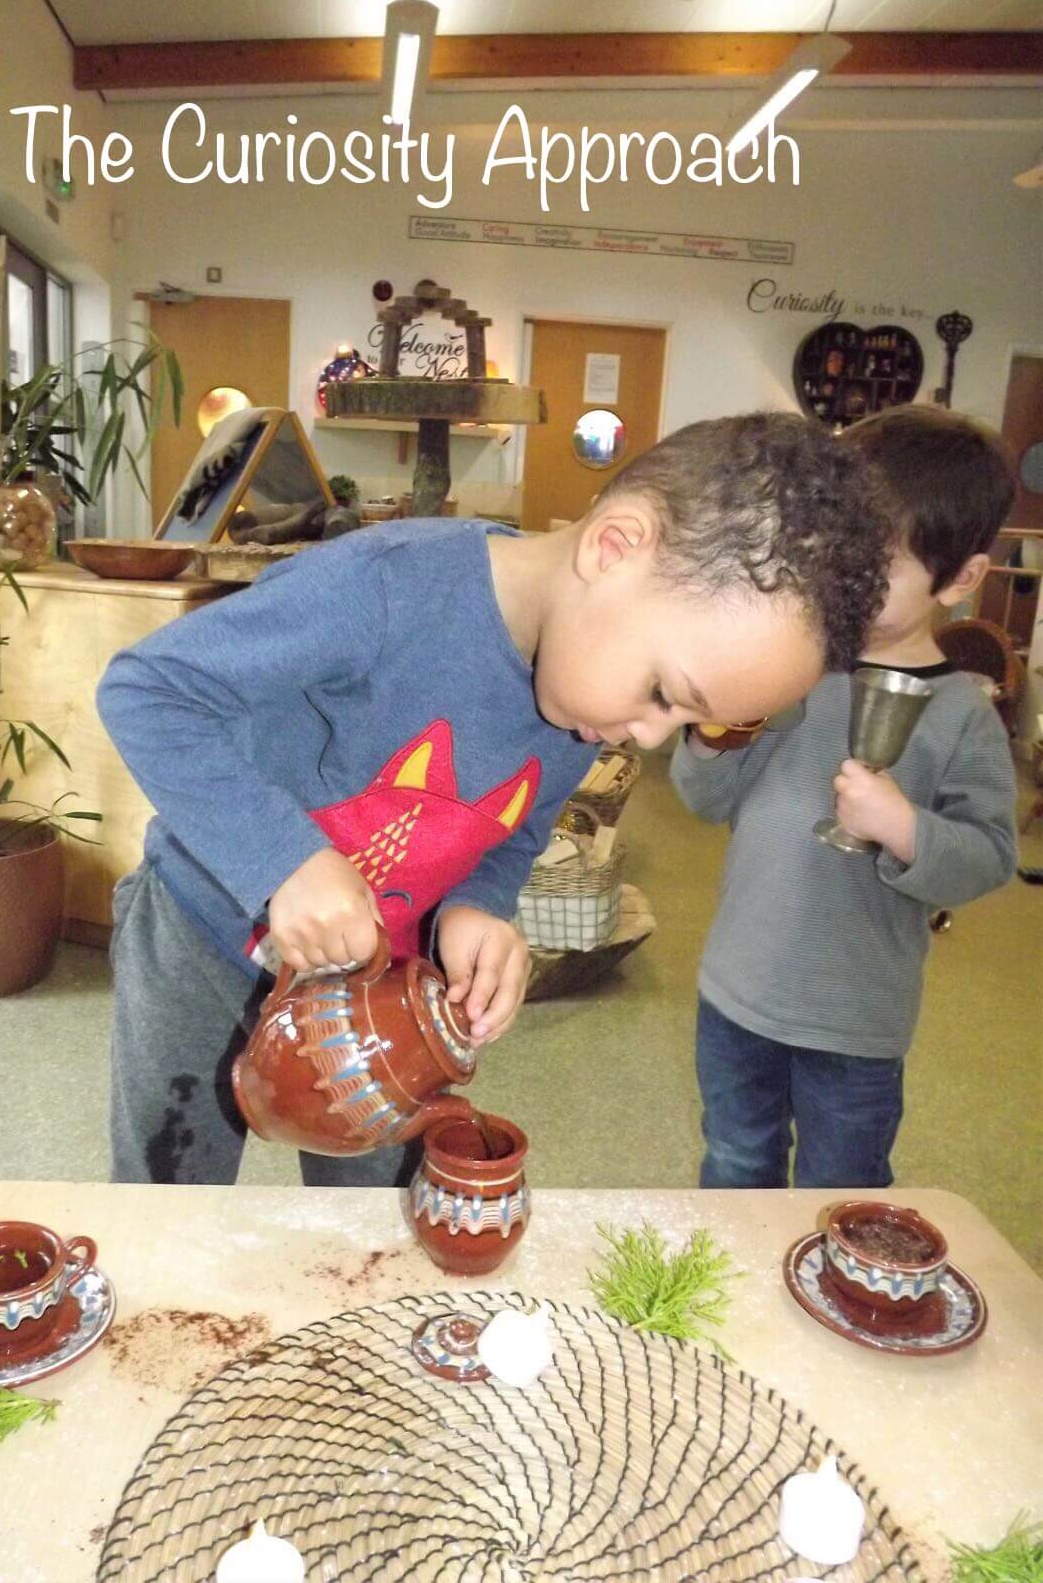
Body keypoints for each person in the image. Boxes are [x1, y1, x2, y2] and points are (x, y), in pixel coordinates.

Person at [97, 412, 888, 1187]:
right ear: (614, 548)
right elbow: (147, 691)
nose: (647, 738)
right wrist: (285, 863)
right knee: (173, 1199)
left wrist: (477, 906)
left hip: (381, 982)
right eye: (662, 693)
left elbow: (517, 825)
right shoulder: (387, 587)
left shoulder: (580, 703)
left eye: (685, 719)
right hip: (201, 941)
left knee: (378, 1210)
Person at [670, 405, 1018, 1190]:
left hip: (855, 1022)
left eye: (878, 564)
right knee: (734, 1161)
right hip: (737, 991)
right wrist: (715, 733)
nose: (844, 580)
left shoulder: (962, 712)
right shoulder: (794, 667)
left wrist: (905, 830)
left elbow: (990, 855)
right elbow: (701, 800)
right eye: (834, 551)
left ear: (961, 579)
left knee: (843, 1190)